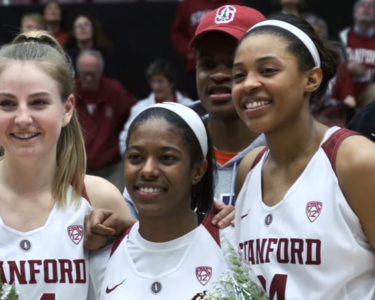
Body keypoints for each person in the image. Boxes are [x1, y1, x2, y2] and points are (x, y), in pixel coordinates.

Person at [0, 31, 131, 300]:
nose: (22, 118)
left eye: (38, 102)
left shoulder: (100, 197)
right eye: (7, 103)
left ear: (67, 109)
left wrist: (135, 235)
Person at [233, 14, 375, 299]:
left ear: (311, 79)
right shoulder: (248, 168)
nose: (248, 84)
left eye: (268, 70)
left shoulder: (356, 160)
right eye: (239, 75)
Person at [124, 5, 267, 222]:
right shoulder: (167, 138)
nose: (218, 75)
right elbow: (131, 234)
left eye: (232, 64)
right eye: (208, 64)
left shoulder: (287, 151)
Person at [88, 102, 242, 300]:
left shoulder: (233, 246)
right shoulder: (103, 257)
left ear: (198, 171)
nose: (148, 170)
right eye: (136, 157)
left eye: (167, 158)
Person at [75, 50, 136, 192]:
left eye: (93, 73)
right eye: (84, 73)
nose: (88, 78)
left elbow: (135, 114)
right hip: (78, 169)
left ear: (101, 71)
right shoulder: (69, 92)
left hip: (112, 169)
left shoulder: (115, 91)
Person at [119, 58, 194, 155]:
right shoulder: (140, 108)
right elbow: (125, 137)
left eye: (160, 81)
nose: (156, 86)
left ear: (172, 83)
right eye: (153, 81)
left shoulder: (188, 106)